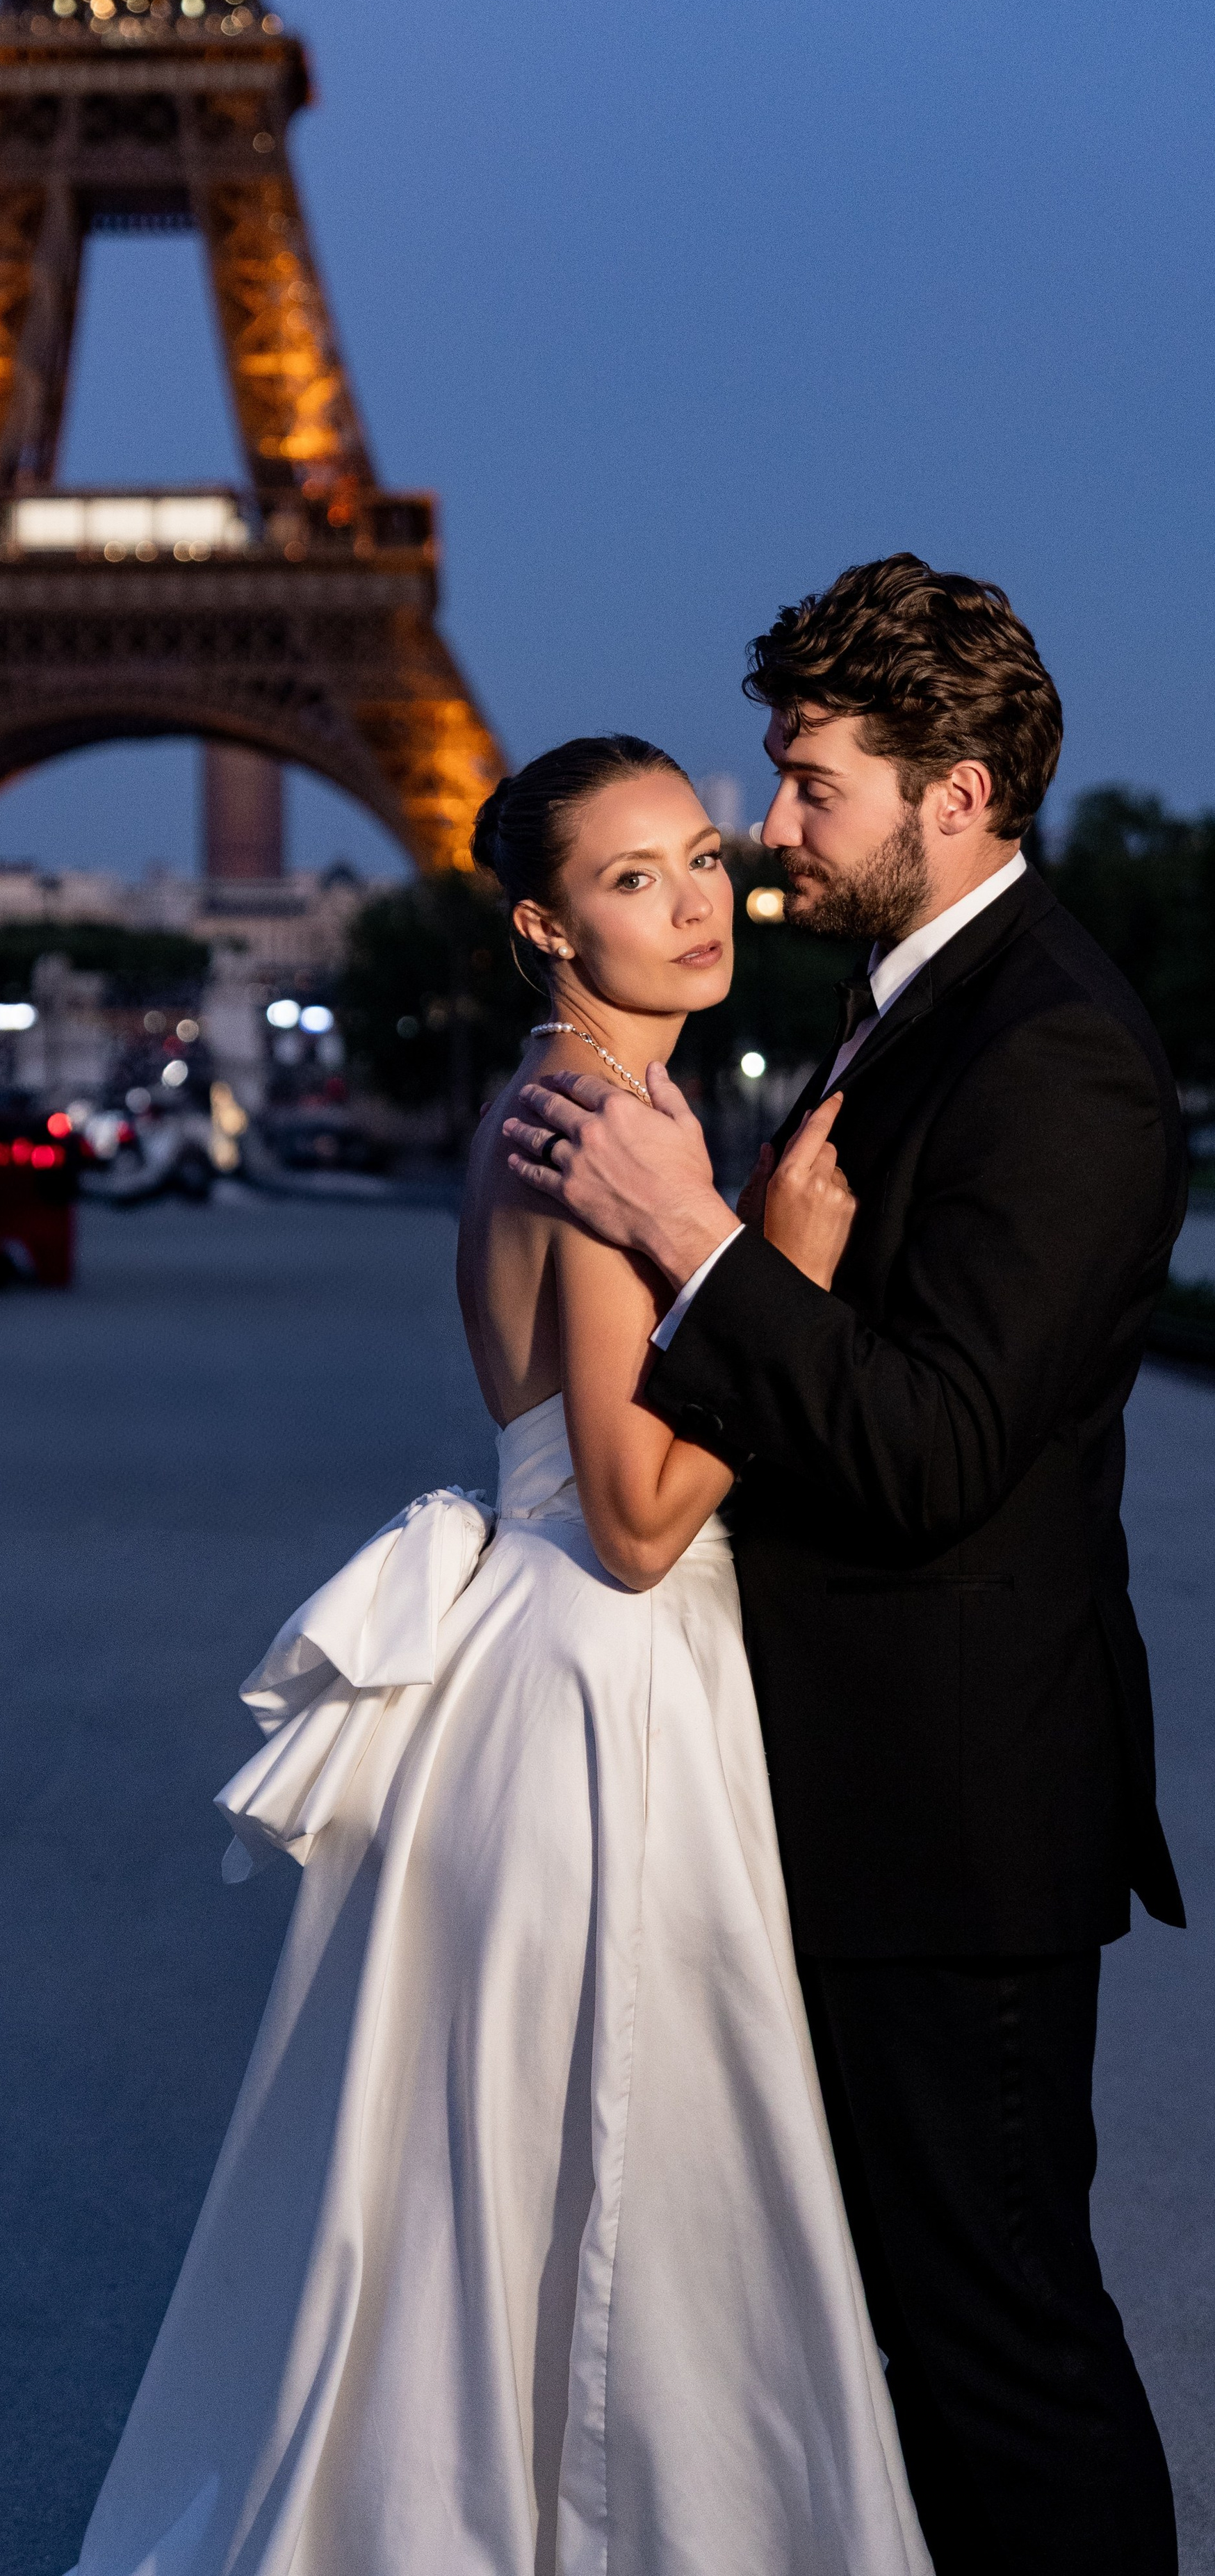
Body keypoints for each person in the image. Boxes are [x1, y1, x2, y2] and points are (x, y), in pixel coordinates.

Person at [61, 736, 932, 2576]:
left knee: (513, 2198)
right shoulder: (609, 1124)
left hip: (542, 1672)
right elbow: (634, 1506)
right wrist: (784, 1266)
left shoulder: (554, 1094)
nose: (698, 897)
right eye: (635, 877)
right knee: (640, 2185)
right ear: (544, 922)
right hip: (605, 1675)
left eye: (703, 855)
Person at [507, 557, 1185, 2575]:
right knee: (923, 2342)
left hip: (948, 1823)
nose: (769, 825)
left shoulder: (1047, 1049)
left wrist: (702, 1245)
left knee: (998, 2349)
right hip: (869, 1801)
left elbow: (934, 1445)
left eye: (810, 785)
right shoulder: (929, 1014)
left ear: (954, 794)